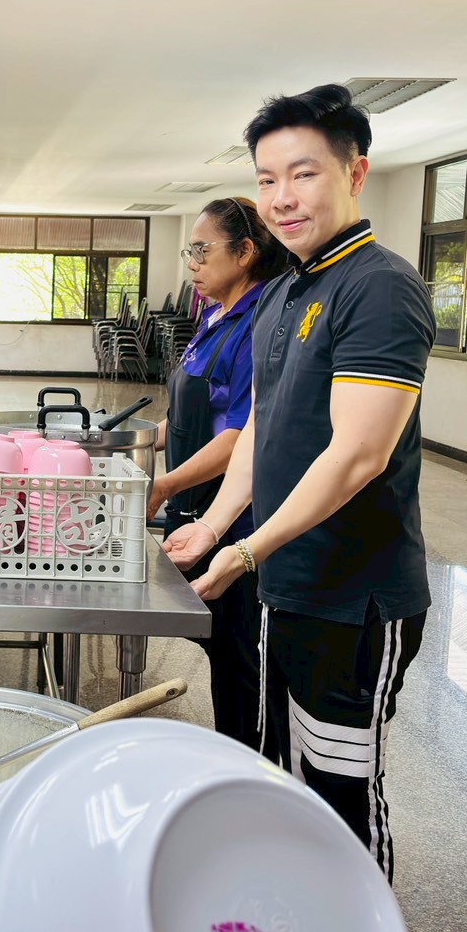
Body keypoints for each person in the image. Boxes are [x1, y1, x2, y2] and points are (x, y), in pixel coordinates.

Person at [164, 84, 435, 880]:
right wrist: (217, 523)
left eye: (304, 173)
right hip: (286, 584)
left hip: (354, 599)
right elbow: (261, 425)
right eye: (267, 178)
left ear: (356, 172)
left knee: (341, 795)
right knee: (284, 780)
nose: (282, 197)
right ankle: (298, 915)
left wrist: (249, 551)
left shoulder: (379, 287)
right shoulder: (286, 289)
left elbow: (358, 455)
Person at [149, 196, 286, 748]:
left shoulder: (257, 325)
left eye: (201, 251)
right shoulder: (214, 316)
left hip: (236, 518)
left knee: (242, 658)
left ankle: (250, 764)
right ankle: (232, 752)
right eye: (190, 252)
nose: (192, 264)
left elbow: (238, 437)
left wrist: (167, 483)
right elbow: (191, 410)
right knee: (220, 650)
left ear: (245, 251)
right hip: (197, 509)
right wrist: (136, 440)